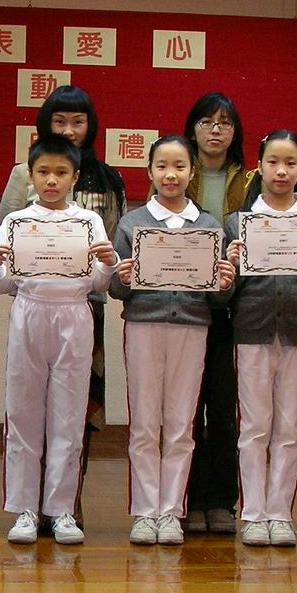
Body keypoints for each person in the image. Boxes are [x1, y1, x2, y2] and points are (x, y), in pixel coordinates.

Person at [0, 85, 125, 526]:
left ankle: (63, 508)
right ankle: (25, 508)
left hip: (80, 309)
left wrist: (108, 264)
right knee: (24, 411)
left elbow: (102, 274)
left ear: (74, 177)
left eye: (60, 174)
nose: (51, 180)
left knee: (71, 413)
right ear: (32, 174)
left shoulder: (94, 206)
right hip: (30, 307)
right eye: (43, 173)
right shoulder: (17, 210)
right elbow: (1, 276)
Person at [109, 135, 235, 546]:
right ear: (150, 171)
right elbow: (117, 289)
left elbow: (221, 296)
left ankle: (171, 511)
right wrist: (122, 278)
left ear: (191, 171)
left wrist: (225, 283)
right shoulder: (132, 223)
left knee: (181, 426)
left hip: (192, 328)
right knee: (146, 424)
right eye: (162, 166)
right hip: (144, 326)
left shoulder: (209, 226)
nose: (170, 174)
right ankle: (146, 512)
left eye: (179, 166)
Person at [225, 130, 297, 548]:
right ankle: (254, 514)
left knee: (290, 427)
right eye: (273, 161)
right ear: (259, 166)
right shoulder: (239, 221)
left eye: (290, 163)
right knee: (254, 426)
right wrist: (232, 265)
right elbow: (227, 290)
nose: (281, 171)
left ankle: (281, 513)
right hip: (252, 329)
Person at [181, 92, 249, 535]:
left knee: (223, 411)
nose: (215, 130)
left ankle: (221, 501)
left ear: (234, 132)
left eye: (224, 123)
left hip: (235, 309)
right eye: (206, 122)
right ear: (193, 130)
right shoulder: (176, 172)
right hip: (187, 307)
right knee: (186, 411)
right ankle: (188, 500)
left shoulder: (251, 180)